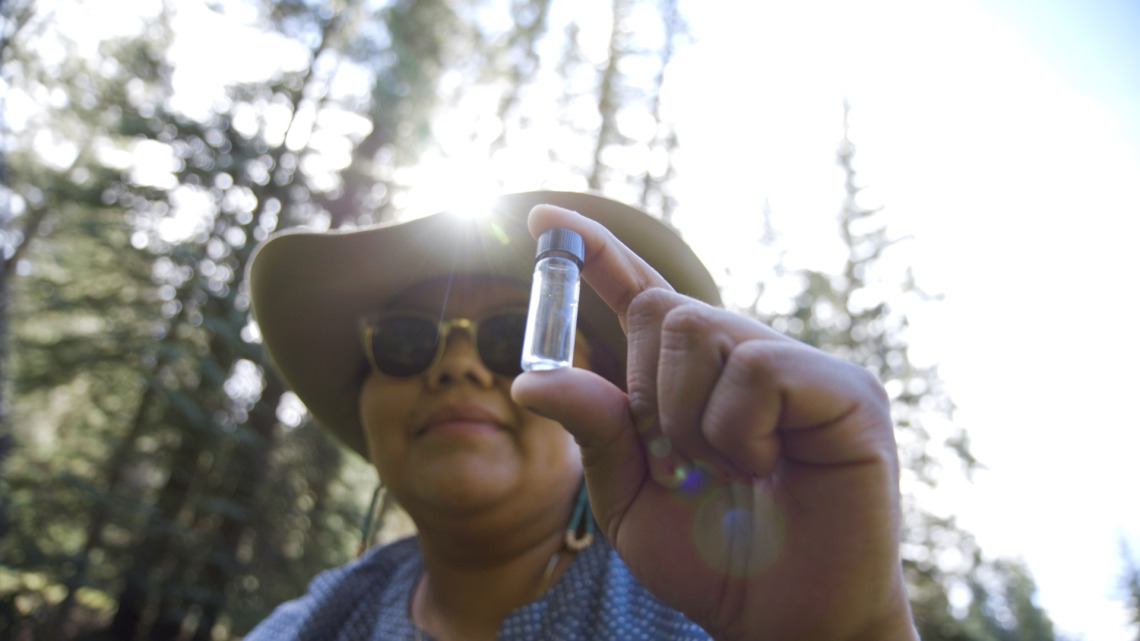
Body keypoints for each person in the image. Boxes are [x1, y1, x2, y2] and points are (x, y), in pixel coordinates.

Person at [244, 191, 919, 641]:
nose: (456, 368)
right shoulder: (307, 625)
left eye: (511, 338)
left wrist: (862, 632)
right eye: (405, 340)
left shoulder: (709, 609)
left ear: (609, 393)